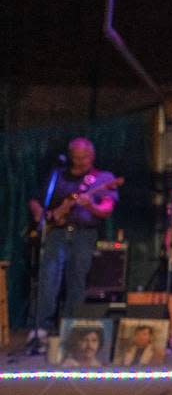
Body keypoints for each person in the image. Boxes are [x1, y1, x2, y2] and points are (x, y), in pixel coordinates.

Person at [28, 137, 119, 346]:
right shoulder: (56, 176)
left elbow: (106, 210)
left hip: (83, 233)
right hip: (55, 233)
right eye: (77, 158)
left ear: (93, 155)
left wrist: (90, 206)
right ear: (70, 157)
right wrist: (40, 214)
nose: (81, 162)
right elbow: (35, 199)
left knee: (77, 280)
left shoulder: (103, 178)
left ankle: (71, 327)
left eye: (85, 157)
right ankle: (41, 328)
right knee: (48, 278)